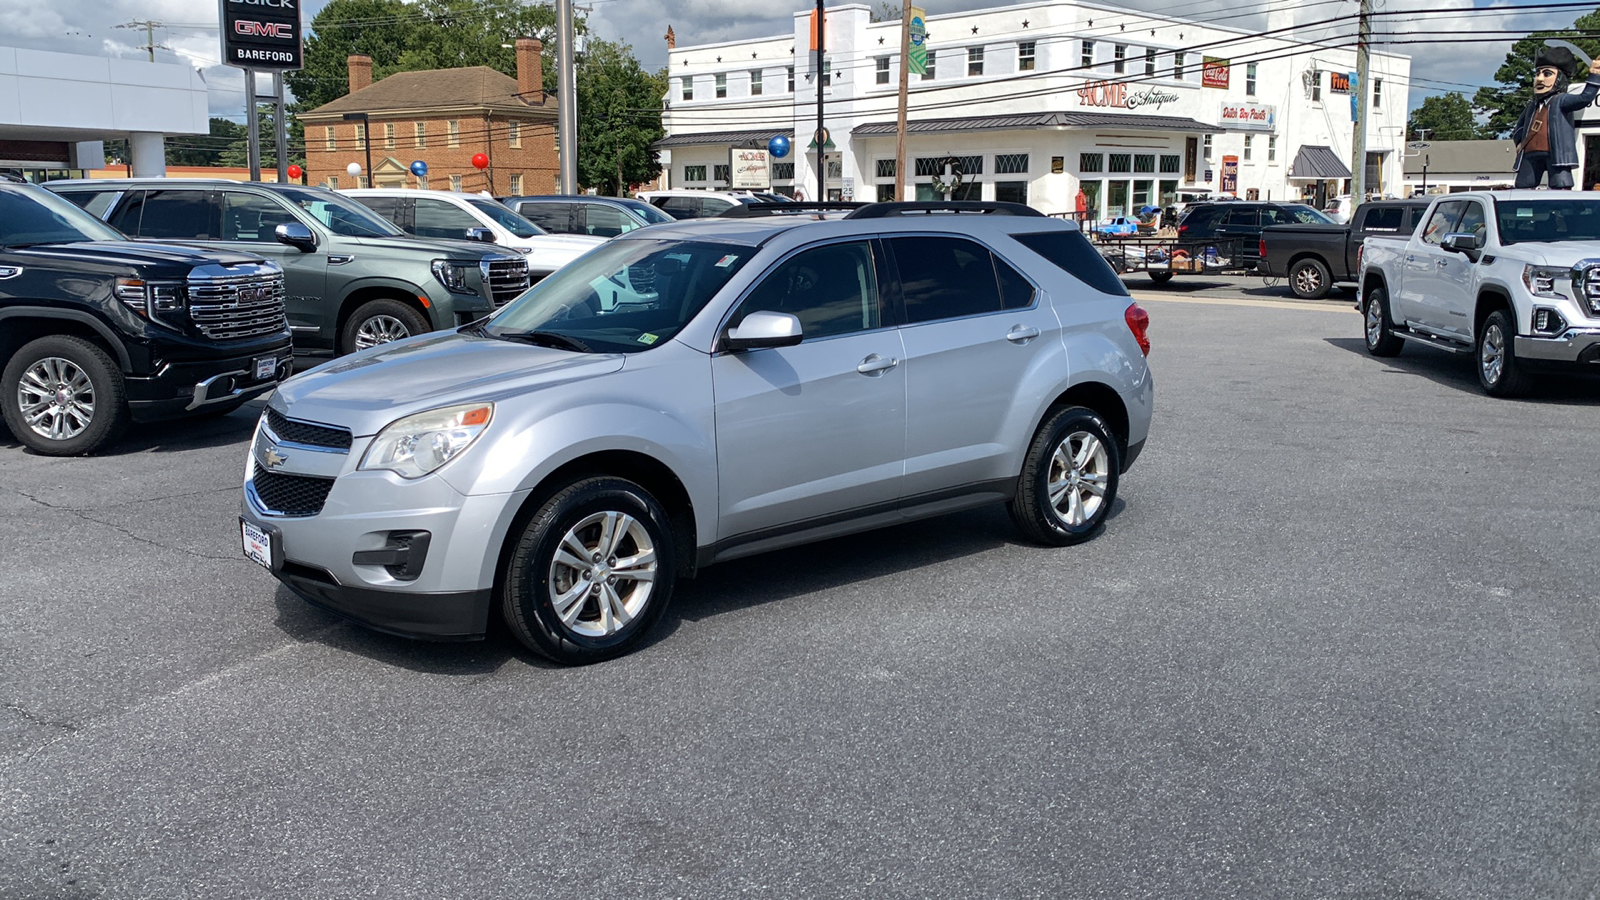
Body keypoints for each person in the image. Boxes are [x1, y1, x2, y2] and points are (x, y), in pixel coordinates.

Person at [1511, 46, 1600, 189]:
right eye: (1537, 74)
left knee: (1561, 185)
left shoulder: (1561, 100)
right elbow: (1520, 127)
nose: (1539, 79)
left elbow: (1584, 98)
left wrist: (1595, 75)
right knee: (1523, 186)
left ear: (1559, 78)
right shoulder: (1532, 106)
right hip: (1530, 154)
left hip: (1557, 154)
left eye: (1547, 74)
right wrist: (1519, 142)